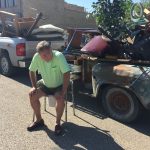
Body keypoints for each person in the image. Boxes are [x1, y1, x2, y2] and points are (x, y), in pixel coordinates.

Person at [27, 41, 70, 135]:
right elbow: (31, 71)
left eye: (48, 53)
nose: (47, 57)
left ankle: (58, 123)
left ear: (51, 50)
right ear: (39, 54)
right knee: (32, 95)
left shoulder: (59, 56)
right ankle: (39, 120)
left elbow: (66, 73)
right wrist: (34, 87)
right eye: (43, 55)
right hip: (45, 84)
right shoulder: (36, 57)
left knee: (60, 98)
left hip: (58, 85)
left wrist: (64, 90)